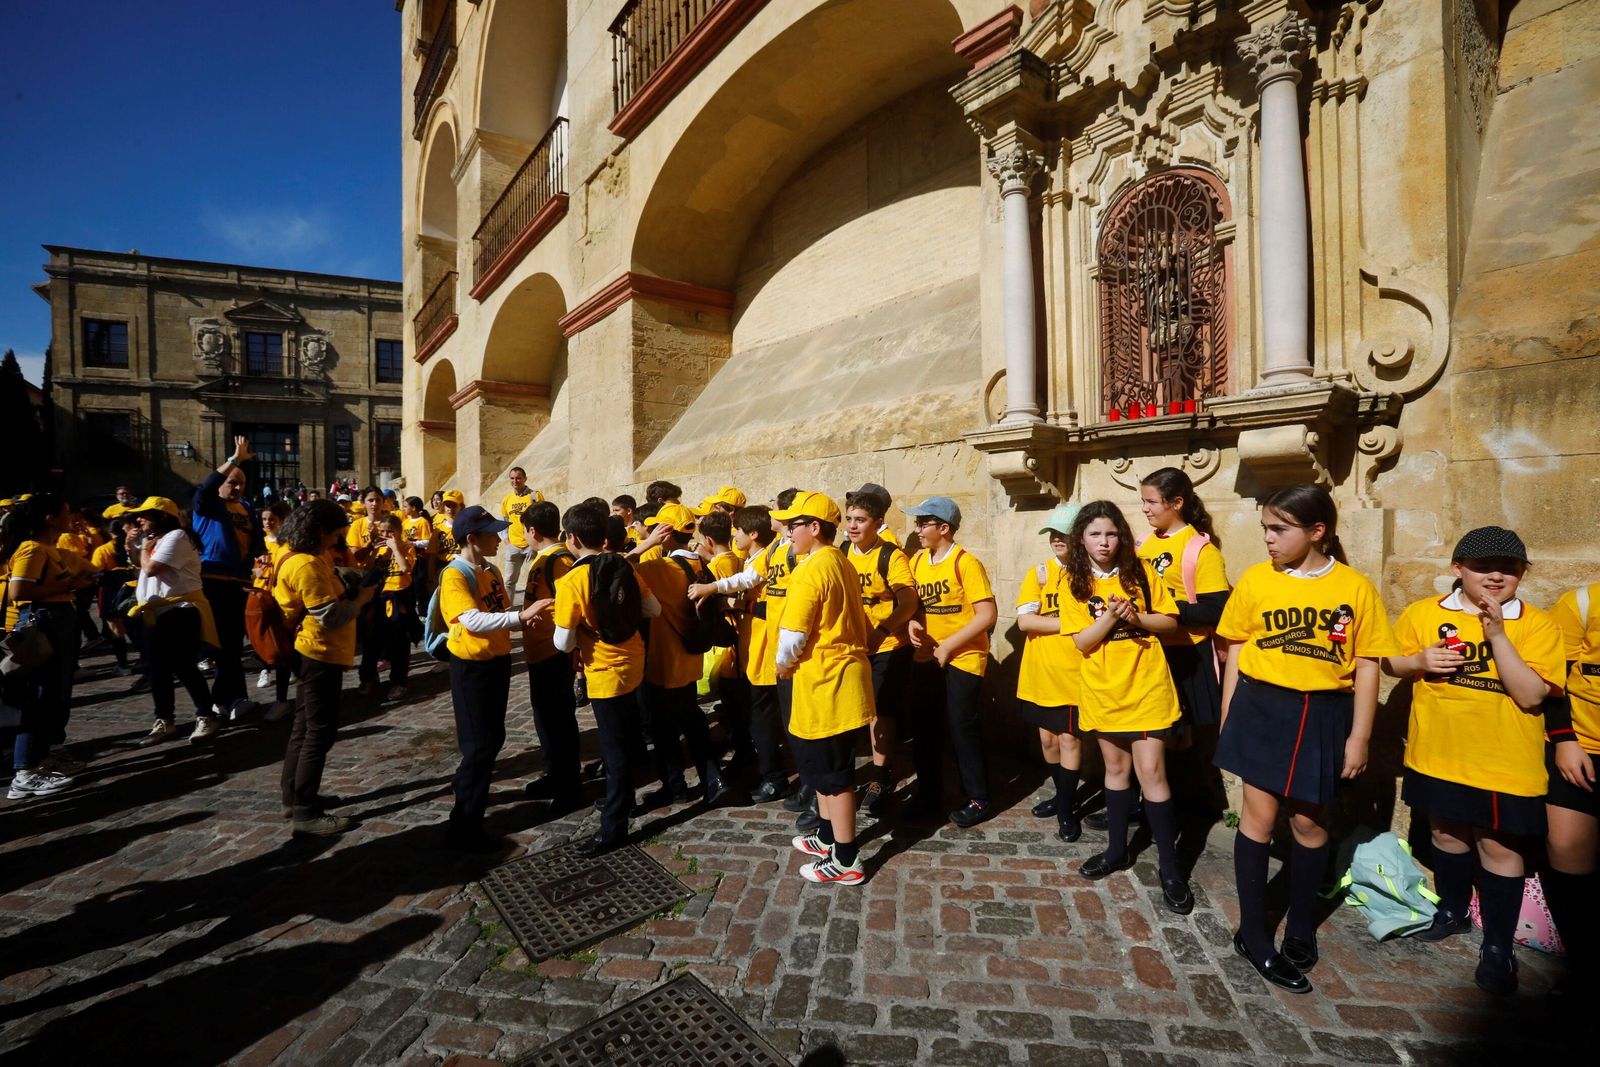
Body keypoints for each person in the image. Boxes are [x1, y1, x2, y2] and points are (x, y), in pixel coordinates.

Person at [1213, 484, 1397, 994]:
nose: (1268, 539)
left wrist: (1360, 736)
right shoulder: (1257, 580)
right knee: (1258, 818)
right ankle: (1253, 934)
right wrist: (1229, 713)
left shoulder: (1354, 588)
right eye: (1265, 529)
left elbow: (1367, 664)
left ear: (1318, 531)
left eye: (1279, 529)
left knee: (1311, 823)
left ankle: (1299, 925)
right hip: (1261, 708)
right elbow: (1236, 649)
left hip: (1323, 714)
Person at [1386, 527, 1564, 995]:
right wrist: (1418, 661)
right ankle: (1453, 910)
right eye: (1483, 567)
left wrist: (1497, 635)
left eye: (1509, 568)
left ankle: (1499, 947)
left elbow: (1531, 695)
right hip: (1437, 753)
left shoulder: (1538, 624)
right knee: (1445, 833)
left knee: (1498, 848)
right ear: (1457, 568)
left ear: (1522, 574)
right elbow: (1389, 661)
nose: (1495, 576)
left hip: (1504, 762)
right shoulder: (1425, 613)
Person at [1060, 501, 1190, 913]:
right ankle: (1117, 850)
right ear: (1082, 538)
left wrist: (1136, 617)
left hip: (1147, 686)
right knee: (1115, 771)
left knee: (1152, 773)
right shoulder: (1073, 581)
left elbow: (1169, 622)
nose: (1104, 542)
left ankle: (1171, 869)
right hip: (1103, 690)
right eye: (1095, 534)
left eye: (1111, 533)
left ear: (1122, 536)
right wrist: (1112, 617)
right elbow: (1081, 641)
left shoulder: (1142, 572)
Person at [775, 492, 875, 885]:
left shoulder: (812, 568)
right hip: (831, 679)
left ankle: (847, 858)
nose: (787, 533)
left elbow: (793, 634)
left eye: (793, 526)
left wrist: (783, 664)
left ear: (814, 528)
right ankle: (829, 836)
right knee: (820, 767)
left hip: (828, 681)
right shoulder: (840, 561)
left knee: (834, 774)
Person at [553, 501, 662, 856]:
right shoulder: (622, 565)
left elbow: (562, 641)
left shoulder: (571, 580)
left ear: (572, 538)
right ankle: (624, 799)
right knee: (627, 737)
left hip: (603, 670)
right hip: (633, 660)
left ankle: (614, 826)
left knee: (614, 751)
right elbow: (653, 609)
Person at [439, 505, 541, 851]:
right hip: (472, 668)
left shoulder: (491, 569)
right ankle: (464, 825)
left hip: (497, 662)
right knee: (478, 745)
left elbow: (498, 611)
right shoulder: (454, 574)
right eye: (492, 534)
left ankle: (469, 804)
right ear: (472, 538)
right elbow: (471, 620)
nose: (500, 539)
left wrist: (521, 619)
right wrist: (519, 618)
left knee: (493, 739)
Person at [272, 501, 373, 835]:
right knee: (319, 732)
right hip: (319, 654)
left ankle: (294, 796)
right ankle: (305, 811)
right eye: (335, 534)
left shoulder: (303, 556)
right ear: (320, 531)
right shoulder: (306, 565)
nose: (338, 540)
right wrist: (362, 599)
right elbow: (331, 616)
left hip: (315, 653)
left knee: (304, 728)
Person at [904, 496, 996, 827]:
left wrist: (948, 647)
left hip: (964, 657)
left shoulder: (966, 563)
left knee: (961, 727)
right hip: (928, 655)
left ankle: (978, 797)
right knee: (924, 727)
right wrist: (912, 623)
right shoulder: (917, 561)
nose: (917, 529)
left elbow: (987, 614)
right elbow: (915, 606)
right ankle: (929, 792)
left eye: (923, 523)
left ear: (944, 528)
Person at [633, 502, 732, 808]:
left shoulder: (661, 568)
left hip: (664, 661)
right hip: (690, 657)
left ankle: (675, 784)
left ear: (665, 533)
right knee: (691, 719)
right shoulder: (701, 563)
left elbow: (615, 567)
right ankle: (713, 778)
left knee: (664, 729)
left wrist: (646, 545)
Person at [3, 494, 90, 796]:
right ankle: (24, 771)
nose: (71, 517)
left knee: (53, 694)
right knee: (39, 695)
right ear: (50, 518)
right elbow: (18, 591)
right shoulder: (32, 548)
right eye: (65, 512)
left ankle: (41, 759)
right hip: (45, 621)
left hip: (58, 619)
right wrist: (69, 585)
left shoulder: (48, 548)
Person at [841, 483, 918, 817]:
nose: (852, 526)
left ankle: (879, 776)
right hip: (853, 644)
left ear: (878, 523)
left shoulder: (890, 555)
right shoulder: (843, 552)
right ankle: (843, 777)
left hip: (887, 644)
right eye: (849, 519)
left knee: (879, 712)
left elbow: (908, 602)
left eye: (860, 520)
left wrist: (883, 629)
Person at [1016, 503, 1086, 842]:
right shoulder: (1040, 572)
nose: (1058, 539)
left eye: (1065, 534)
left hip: (1073, 671)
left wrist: (1050, 621)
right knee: (1047, 738)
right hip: (1040, 669)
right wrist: (1069, 623)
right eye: (1053, 534)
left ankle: (1067, 808)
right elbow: (1024, 621)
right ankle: (1062, 795)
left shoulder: (1088, 574)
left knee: (1069, 738)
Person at [127, 497, 219, 747]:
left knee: (184, 666)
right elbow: (139, 566)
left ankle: (206, 715)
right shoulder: (155, 539)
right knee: (157, 670)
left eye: (145, 515)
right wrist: (131, 546)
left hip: (179, 610)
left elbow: (151, 568)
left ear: (161, 516)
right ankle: (164, 720)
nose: (139, 519)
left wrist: (143, 549)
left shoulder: (177, 536)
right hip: (155, 612)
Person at [1547, 578, 1600, 998]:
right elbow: (1554, 678)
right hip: (1582, 748)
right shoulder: (1582, 601)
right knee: (1566, 849)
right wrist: (1564, 739)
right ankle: (1580, 965)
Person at [191, 435, 264, 721]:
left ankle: (233, 700)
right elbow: (206, 487)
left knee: (233, 643)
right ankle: (224, 700)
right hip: (214, 580)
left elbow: (255, 542)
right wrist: (234, 460)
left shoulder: (246, 507)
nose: (236, 487)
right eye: (232, 482)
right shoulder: (207, 505)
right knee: (223, 643)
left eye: (241, 483)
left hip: (240, 581)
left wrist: (260, 559)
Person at [519, 500, 582, 805]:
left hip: (554, 652)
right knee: (545, 717)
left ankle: (568, 782)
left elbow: (571, 604)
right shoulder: (543, 558)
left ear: (532, 531)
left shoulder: (559, 560)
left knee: (559, 720)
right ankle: (554, 772)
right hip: (539, 651)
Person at [696, 510, 755, 770]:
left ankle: (742, 750)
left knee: (734, 703)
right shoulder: (738, 560)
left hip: (727, 643)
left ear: (707, 540)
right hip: (741, 634)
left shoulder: (713, 567)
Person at [360, 514, 415, 699]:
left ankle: (399, 681)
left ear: (398, 532)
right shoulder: (380, 548)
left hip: (398, 599)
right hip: (377, 598)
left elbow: (406, 568)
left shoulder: (406, 547)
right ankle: (368, 678)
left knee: (398, 643)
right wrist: (374, 550)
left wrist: (395, 548)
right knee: (371, 642)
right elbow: (367, 570)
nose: (385, 535)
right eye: (382, 531)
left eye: (390, 531)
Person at [500, 467, 542, 601]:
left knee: (534, 581)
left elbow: (542, 518)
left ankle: (532, 607)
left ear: (525, 479)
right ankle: (507, 610)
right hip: (513, 545)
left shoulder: (535, 496)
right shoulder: (507, 500)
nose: (515, 481)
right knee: (508, 581)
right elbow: (504, 521)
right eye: (512, 478)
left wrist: (537, 542)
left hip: (531, 545)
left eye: (518, 478)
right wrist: (506, 541)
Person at [433, 489, 463, 564]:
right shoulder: (438, 529)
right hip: (443, 564)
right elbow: (432, 555)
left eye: (454, 505)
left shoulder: (467, 527)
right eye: (448, 505)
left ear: (461, 506)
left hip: (461, 565)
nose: (450, 509)